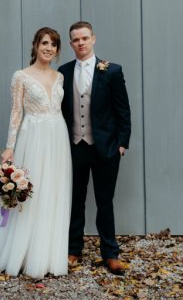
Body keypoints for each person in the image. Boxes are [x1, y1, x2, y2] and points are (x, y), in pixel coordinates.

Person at [0, 27, 72, 278]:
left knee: (53, 192)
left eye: (54, 45)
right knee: (33, 194)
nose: (49, 48)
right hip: (33, 137)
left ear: (58, 50)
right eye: (45, 43)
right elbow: (16, 113)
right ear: (36, 45)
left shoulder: (59, 77)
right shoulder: (21, 76)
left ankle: (48, 253)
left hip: (58, 137)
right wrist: (9, 147)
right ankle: (22, 251)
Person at [57, 21, 131, 275]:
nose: (81, 43)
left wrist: (122, 144)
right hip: (75, 146)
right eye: (76, 39)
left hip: (106, 148)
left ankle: (110, 253)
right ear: (70, 44)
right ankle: (73, 249)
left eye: (85, 38)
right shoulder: (63, 72)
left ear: (93, 39)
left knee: (105, 202)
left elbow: (123, 110)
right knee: (75, 200)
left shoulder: (111, 71)